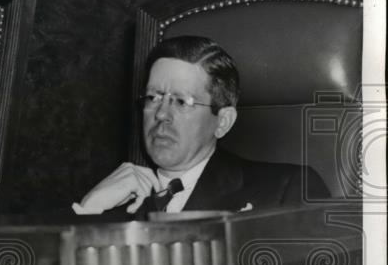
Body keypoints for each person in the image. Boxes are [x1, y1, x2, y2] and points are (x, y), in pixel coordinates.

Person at [73, 35, 329, 216]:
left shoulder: (287, 191)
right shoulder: (111, 198)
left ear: (223, 122)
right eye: (153, 98)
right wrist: (89, 211)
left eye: (182, 102)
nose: (161, 114)